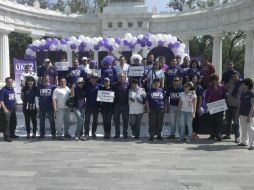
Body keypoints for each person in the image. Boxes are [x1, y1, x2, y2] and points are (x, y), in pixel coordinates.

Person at [205, 74, 226, 141]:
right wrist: (207, 104)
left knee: (219, 121)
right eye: (215, 80)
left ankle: (219, 135)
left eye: (217, 79)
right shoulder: (209, 87)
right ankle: (212, 135)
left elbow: (225, 95)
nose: (217, 81)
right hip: (212, 105)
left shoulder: (222, 87)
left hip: (220, 105)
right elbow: (206, 96)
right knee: (212, 121)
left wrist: (224, 101)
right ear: (213, 80)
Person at [35, 74, 56, 139]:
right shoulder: (39, 87)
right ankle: (42, 134)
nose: (46, 79)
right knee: (41, 121)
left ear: (49, 79)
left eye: (47, 78)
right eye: (45, 78)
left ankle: (53, 134)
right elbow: (36, 97)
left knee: (52, 121)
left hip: (50, 107)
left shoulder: (53, 87)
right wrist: (37, 106)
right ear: (42, 79)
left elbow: (55, 97)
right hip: (41, 107)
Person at [80, 72, 100, 140]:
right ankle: (86, 134)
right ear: (90, 78)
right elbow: (80, 88)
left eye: (95, 77)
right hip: (88, 105)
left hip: (96, 106)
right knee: (87, 120)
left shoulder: (99, 86)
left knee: (96, 121)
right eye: (92, 77)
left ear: (97, 79)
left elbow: (107, 91)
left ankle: (93, 132)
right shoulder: (86, 85)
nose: (94, 79)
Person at [224, 71, 241, 143]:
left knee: (236, 122)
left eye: (235, 76)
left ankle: (237, 137)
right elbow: (225, 89)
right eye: (233, 77)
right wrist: (229, 83)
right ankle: (228, 134)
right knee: (228, 121)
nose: (234, 78)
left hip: (236, 106)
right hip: (229, 105)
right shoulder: (231, 83)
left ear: (238, 77)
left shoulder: (241, 84)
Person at [112, 72, 130, 138]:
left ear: (125, 77)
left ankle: (125, 133)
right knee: (116, 120)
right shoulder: (114, 85)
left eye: (122, 76)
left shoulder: (128, 85)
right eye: (120, 77)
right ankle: (117, 134)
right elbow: (108, 92)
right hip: (116, 105)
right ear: (117, 77)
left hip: (125, 105)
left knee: (125, 120)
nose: (121, 78)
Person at [238, 78, 254, 150]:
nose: (242, 84)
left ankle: (252, 144)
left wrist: (249, 116)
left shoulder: (252, 93)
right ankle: (244, 142)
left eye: (243, 83)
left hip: (249, 115)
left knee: (250, 129)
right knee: (243, 128)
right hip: (242, 114)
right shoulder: (243, 93)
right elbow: (240, 103)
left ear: (247, 85)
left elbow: (252, 106)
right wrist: (238, 112)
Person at [0, 77, 18, 142]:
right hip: (6, 110)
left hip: (13, 109)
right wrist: (5, 109)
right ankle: (6, 137)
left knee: (13, 122)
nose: (10, 83)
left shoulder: (12, 89)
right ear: (6, 82)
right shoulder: (3, 90)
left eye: (11, 82)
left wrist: (15, 105)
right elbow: (1, 100)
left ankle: (12, 134)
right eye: (9, 82)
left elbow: (13, 98)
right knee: (6, 123)